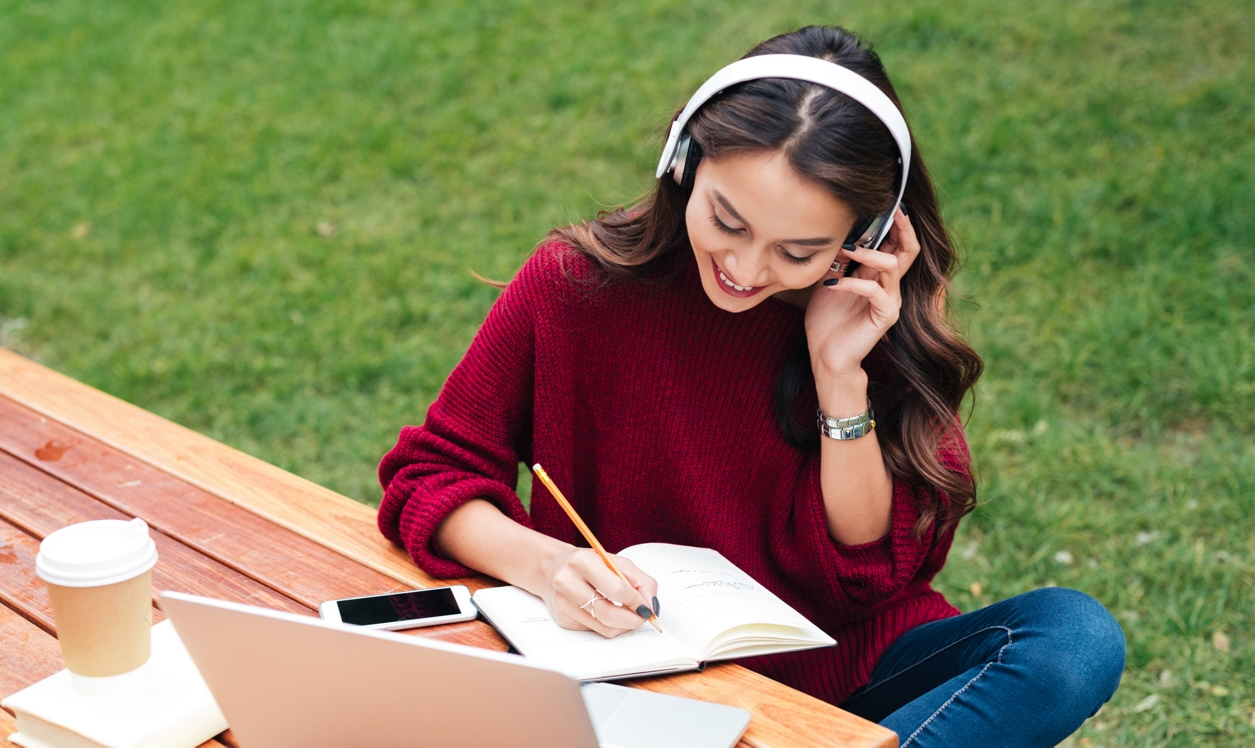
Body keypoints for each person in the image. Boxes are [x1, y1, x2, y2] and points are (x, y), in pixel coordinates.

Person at [378, 25, 1125, 747]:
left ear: (863, 238)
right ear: (684, 160)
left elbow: (864, 579)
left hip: (847, 677)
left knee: (1075, 640)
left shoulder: (872, 327)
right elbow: (431, 476)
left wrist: (841, 376)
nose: (747, 267)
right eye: (726, 220)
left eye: (799, 250)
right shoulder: (575, 286)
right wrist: (545, 566)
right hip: (638, 677)